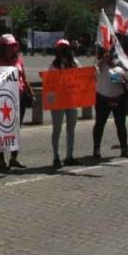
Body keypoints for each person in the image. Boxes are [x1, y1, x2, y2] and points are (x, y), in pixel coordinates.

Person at [0, 34, 34, 171]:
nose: (12, 48)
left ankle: (14, 158)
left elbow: (24, 78)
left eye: (14, 46)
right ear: (2, 47)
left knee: (16, 130)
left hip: (19, 98)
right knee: (2, 131)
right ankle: (0, 159)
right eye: (9, 46)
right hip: (4, 101)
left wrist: (31, 93)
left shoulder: (19, 60)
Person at [93, 46, 128, 160]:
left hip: (118, 99)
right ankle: (96, 148)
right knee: (99, 124)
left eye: (111, 56)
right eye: (107, 56)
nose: (110, 58)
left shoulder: (119, 68)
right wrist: (101, 61)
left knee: (121, 125)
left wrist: (127, 80)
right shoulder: (101, 67)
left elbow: (126, 82)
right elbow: (94, 71)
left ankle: (124, 149)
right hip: (103, 99)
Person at [49, 39, 81, 170]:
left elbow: (81, 78)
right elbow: (50, 83)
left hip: (71, 99)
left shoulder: (75, 63)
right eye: (61, 49)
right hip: (58, 101)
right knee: (57, 129)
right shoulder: (53, 66)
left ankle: (69, 156)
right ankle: (56, 156)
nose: (63, 51)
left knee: (71, 129)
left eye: (65, 48)